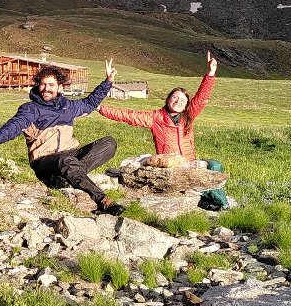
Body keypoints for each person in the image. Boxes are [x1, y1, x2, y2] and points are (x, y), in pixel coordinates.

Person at [0, 59, 126, 214]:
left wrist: (108, 81)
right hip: (44, 161)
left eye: (51, 85)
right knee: (66, 161)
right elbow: (16, 124)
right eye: (42, 84)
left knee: (109, 143)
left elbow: (89, 103)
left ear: (60, 87)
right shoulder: (31, 109)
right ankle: (103, 200)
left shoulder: (68, 106)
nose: (45, 89)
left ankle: (68, 178)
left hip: (69, 154)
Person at [97, 50, 228, 209]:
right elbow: (129, 115)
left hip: (190, 162)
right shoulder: (156, 117)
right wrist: (100, 108)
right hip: (170, 165)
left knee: (215, 165)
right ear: (168, 99)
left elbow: (201, 98)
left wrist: (211, 73)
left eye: (183, 100)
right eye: (175, 98)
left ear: (187, 104)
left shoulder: (188, 116)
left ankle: (211, 199)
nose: (178, 102)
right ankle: (222, 204)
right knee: (204, 179)